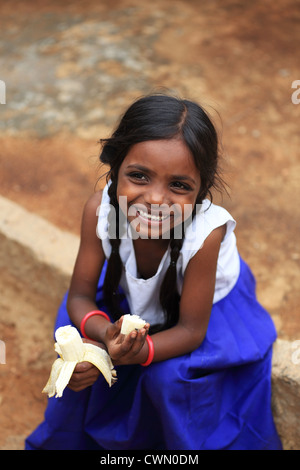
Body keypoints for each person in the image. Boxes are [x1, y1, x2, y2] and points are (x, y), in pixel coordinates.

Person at [25, 93, 282, 450]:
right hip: (127, 296)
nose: (157, 200)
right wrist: (104, 338)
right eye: (139, 176)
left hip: (204, 309)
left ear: (202, 192)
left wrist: (133, 352)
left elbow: (192, 330)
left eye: (179, 185)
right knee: (72, 346)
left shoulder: (205, 236)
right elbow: (80, 297)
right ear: (115, 169)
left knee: (169, 380)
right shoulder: (100, 210)